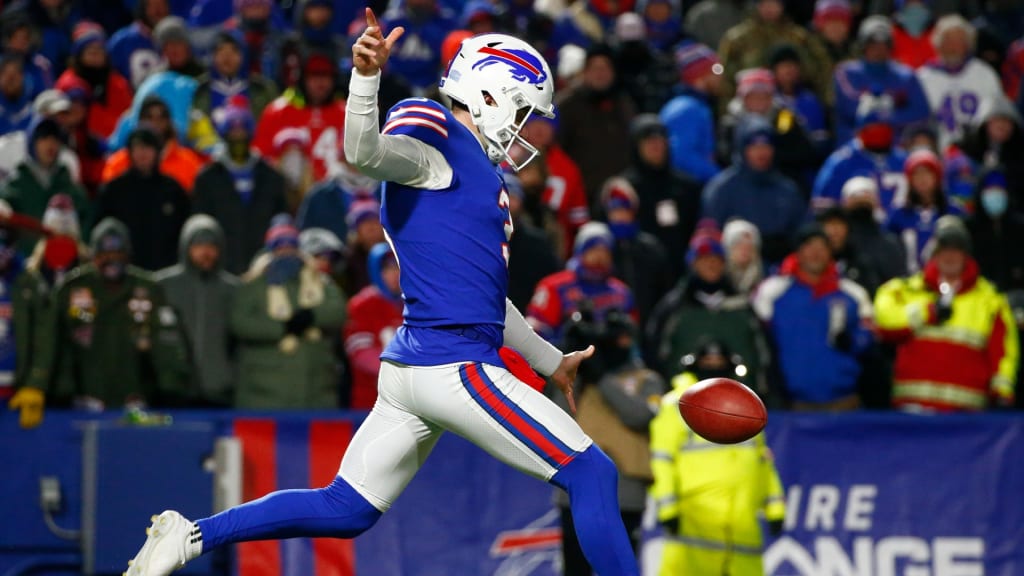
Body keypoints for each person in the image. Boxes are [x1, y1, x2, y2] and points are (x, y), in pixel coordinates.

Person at [125, 21, 641, 576]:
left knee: (344, 508)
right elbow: (364, 151)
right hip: (453, 363)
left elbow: (488, 298)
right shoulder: (437, 133)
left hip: (417, 367)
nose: (526, 131)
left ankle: (190, 535)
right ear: (491, 95)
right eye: (521, 112)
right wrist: (365, 79)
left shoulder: (472, 168)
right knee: (592, 473)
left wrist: (549, 361)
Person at [650, 339, 785, 576]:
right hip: (696, 515)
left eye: (719, 362)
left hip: (743, 517)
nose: (714, 366)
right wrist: (668, 509)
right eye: (708, 361)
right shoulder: (676, 404)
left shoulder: (742, 405)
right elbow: (662, 459)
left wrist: (775, 507)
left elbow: (762, 460)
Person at [29, 217, 191, 411]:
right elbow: (49, 340)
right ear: (93, 255)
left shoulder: (148, 289)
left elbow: (166, 344)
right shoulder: (73, 289)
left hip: (136, 402)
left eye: (117, 252)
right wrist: (37, 385)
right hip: (80, 402)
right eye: (104, 253)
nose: (111, 259)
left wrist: (171, 392)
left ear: (128, 255)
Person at [555, 310, 664, 574]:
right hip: (576, 488)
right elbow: (557, 416)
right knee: (575, 569)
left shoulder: (648, 379)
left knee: (618, 568)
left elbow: (639, 415)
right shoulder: (581, 380)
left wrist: (602, 378)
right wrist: (571, 367)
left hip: (626, 493)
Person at [875, 215, 1018, 411]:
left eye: (957, 250)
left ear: (966, 255)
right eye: (944, 249)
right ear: (934, 254)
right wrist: (928, 312)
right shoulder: (906, 290)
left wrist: (1002, 390)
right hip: (912, 410)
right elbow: (885, 322)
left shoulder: (990, 300)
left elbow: (1004, 351)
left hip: (966, 414)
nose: (950, 256)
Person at [753, 223, 874, 410]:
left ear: (830, 253)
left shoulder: (852, 294)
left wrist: (854, 341)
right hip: (793, 406)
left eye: (822, 247)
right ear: (798, 252)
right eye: (809, 246)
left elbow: (869, 337)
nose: (815, 253)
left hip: (844, 403)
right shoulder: (773, 292)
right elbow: (760, 342)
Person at [230, 216, 346, 409]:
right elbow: (240, 322)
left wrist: (311, 317)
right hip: (264, 395)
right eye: (280, 246)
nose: (286, 251)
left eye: (291, 245)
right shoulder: (253, 283)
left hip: (315, 392)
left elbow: (338, 310)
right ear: (270, 250)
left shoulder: (317, 279)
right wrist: (281, 328)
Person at [646, 225, 769, 388]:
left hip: (737, 397)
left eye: (716, 259)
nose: (711, 265)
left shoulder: (741, 305)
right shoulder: (674, 306)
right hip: (681, 400)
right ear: (693, 264)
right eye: (704, 259)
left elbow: (762, 353)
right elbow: (656, 352)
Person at [7, 194, 86, 428]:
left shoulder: (86, 274)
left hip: (74, 380)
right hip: (35, 381)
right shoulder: (29, 276)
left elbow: (86, 327)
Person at [191, 102, 288, 275]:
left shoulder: (272, 177)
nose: (238, 137)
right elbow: (200, 226)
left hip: (264, 269)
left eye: (242, 130)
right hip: (220, 270)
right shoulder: (207, 178)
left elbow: (281, 222)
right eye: (233, 131)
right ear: (224, 134)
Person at [154, 215, 239, 408]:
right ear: (186, 247)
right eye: (198, 245)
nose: (205, 252)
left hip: (220, 391)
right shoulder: (162, 285)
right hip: (174, 392)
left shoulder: (233, 290)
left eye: (212, 246)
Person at [703, 119, 805, 266]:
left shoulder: (788, 190)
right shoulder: (721, 189)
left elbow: (801, 235)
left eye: (766, 146)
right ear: (743, 150)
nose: (761, 152)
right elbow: (708, 237)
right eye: (754, 147)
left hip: (781, 271)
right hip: (733, 273)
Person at [618, 114, 701, 284]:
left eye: (659, 141)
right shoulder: (624, 188)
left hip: (681, 270)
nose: (655, 147)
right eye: (648, 142)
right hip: (640, 274)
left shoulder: (687, 186)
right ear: (636, 146)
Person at [95, 125, 190, 272]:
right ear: (130, 152)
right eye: (138, 148)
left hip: (165, 270)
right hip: (124, 273)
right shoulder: (113, 190)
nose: (142, 153)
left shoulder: (173, 190)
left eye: (148, 148)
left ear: (157, 152)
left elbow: (185, 231)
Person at [528, 222, 638, 345]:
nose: (599, 257)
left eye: (604, 251)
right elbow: (535, 330)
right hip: (565, 357)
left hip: (612, 361)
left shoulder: (621, 291)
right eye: (593, 250)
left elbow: (632, 337)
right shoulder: (554, 287)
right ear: (580, 252)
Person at [556, 43, 634, 205]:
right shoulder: (566, 105)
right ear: (585, 72)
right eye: (595, 68)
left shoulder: (624, 104)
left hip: (619, 197)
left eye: (605, 68)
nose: (601, 74)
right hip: (581, 196)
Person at [832, 16, 930, 145]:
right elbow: (851, 109)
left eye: (884, 45)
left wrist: (885, 116)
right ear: (863, 46)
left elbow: (921, 112)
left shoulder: (905, 75)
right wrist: (890, 110)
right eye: (873, 44)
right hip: (855, 146)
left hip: (895, 147)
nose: (878, 50)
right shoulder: (846, 72)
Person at [0, 115, 91, 255]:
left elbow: (86, 227)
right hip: (24, 268)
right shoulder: (15, 185)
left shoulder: (71, 187)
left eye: (55, 139)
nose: (50, 144)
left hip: (64, 267)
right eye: (43, 138)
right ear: (32, 143)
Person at [717, 0, 831, 104]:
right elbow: (723, 76)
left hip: (794, 101)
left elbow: (821, 70)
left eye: (774, 3)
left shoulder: (799, 37)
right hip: (750, 105)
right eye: (765, 3)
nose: (769, 8)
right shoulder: (737, 39)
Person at [916, 16, 1003, 150]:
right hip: (936, 151)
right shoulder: (922, 77)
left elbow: (997, 116)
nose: (953, 47)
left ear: (968, 46)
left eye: (959, 41)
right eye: (947, 40)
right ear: (937, 44)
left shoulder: (985, 74)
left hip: (978, 150)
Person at [600, 177, 672, 339]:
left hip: (649, 327)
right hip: (610, 332)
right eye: (614, 210)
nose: (620, 216)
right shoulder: (601, 248)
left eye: (625, 209)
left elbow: (664, 291)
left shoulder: (651, 249)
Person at [343, 241, 403, 410]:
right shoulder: (361, 305)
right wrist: (402, 371)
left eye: (398, 267)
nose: (394, 274)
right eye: (388, 269)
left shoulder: (415, 305)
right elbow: (360, 353)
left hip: (410, 404)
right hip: (369, 403)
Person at [885, 148, 963, 273]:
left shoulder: (953, 211)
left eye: (927, 173)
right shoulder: (899, 213)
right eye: (916, 174)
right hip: (908, 281)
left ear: (937, 177)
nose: (922, 179)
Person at [54, 21, 133, 140]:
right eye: (91, 52)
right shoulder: (68, 84)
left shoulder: (117, 82)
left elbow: (129, 117)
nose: (96, 56)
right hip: (81, 149)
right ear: (80, 56)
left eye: (100, 51)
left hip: (118, 147)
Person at [659, 43, 723, 185]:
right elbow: (681, 156)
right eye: (716, 70)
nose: (720, 76)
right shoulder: (687, 109)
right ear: (699, 74)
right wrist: (718, 178)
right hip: (689, 188)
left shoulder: (697, 105)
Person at [191, 30, 278, 119]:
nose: (227, 56)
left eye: (234, 50)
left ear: (244, 55)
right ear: (212, 56)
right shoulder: (197, 90)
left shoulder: (263, 89)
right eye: (220, 50)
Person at [967, 169, 1024, 293]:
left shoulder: (1019, 228)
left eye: (999, 189)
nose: (995, 194)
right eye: (990, 190)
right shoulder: (969, 228)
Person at [106, 0, 167, 88]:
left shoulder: (175, 39)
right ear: (143, 8)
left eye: (162, 5)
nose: (158, 10)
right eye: (153, 5)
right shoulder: (122, 40)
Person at [722, 219, 764, 297]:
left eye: (750, 246)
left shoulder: (764, 274)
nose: (744, 250)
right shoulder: (719, 275)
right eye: (739, 245)